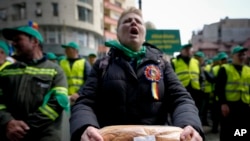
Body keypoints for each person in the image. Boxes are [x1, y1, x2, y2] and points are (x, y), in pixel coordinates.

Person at [70, 7, 204, 141]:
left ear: (144, 34)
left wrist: (189, 124)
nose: (133, 23)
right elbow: (84, 103)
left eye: (138, 22)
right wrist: (85, 126)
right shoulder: (102, 65)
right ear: (117, 33)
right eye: (127, 21)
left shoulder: (161, 64)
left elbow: (181, 99)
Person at [0, 26, 69, 141]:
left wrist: (25, 127)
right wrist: (8, 122)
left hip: (44, 135)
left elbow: (59, 102)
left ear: (35, 42)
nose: (13, 44)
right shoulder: (6, 71)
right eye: (13, 41)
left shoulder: (55, 70)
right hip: (11, 135)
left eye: (18, 40)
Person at [215, 45, 250, 141]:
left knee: (242, 129)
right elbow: (219, 88)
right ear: (233, 56)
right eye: (239, 55)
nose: (242, 57)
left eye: (244, 54)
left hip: (244, 104)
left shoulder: (248, 70)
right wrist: (223, 103)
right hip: (230, 105)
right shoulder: (225, 69)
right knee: (228, 129)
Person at [171, 44, 205, 124]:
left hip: (196, 91)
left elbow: (201, 77)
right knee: (183, 110)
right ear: (181, 51)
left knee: (197, 110)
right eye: (185, 49)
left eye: (189, 49)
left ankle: (196, 126)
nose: (188, 51)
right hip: (182, 91)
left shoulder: (196, 62)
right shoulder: (174, 62)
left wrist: (202, 89)